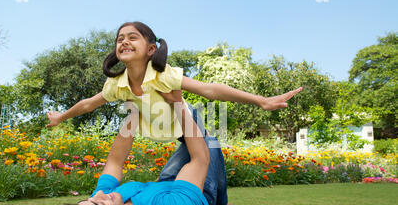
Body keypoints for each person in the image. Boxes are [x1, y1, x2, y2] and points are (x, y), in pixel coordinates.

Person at [46, 21, 302, 142]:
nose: (124, 41)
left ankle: (221, 200)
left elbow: (208, 89)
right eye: (120, 38)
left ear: (150, 49)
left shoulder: (163, 75)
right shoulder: (117, 84)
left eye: (132, 37)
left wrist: (261, 101)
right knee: (185, 164)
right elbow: (87, 105)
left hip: (186, 123)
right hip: (164, 131)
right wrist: (60, 117)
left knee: (208, 152)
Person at [54, 98, 235, 205]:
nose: (99, 194)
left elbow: (114, 162)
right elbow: (199, 159)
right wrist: (177, 101)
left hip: (165, 184)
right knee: (209, 141)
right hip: (200, 193)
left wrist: (136, 112)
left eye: (90, 199)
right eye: (99, 204)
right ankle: (222, 203)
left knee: (194, 128)